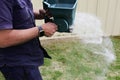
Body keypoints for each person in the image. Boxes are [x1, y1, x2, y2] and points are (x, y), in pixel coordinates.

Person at [0, 0, 57, 80]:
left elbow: (15, 11)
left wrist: (40, 14)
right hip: (15, 63)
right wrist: (41, 30)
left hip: (26, 58)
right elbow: (3, 39)